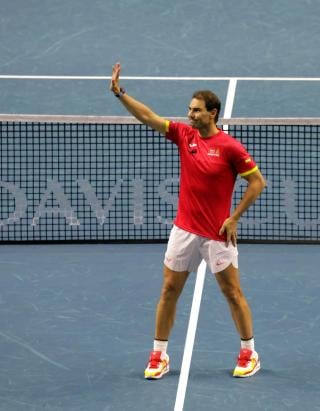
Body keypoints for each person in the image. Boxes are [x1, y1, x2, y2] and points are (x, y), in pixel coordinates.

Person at [110, 63, 266, 379]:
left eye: (196, 111)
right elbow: (148, 116)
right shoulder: (184, 136)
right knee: (169, 290)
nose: (190, 115)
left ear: (213, 113)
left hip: (217, 235)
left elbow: (257, 182)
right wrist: (120, 94)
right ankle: (158, 356)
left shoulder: (230, 148)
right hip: (184, 231)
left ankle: (250, 352)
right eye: (189, 110)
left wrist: (234, 218)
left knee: (232, 293)